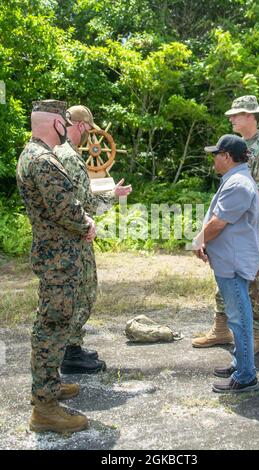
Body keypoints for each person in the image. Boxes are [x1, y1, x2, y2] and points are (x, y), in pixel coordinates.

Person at [16, 100, 96, 433]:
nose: (68, 126)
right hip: (59, 257)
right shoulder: (45, 160)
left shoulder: (29, 155)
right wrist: (87, 223)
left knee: (53, 324)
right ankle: (45, 408)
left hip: (54, 254)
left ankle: (49, 385)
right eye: (64, 121)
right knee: (52, 326)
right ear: (56, 124)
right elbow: (67, 209)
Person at [192, 96, 259, 353]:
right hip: (231, 223)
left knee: (254, 280)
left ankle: (256, 336)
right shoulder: (236, 146)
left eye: (236, 114)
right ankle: (221, 329)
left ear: (251, 116)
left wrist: (225, 216)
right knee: (225, 274)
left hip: (254, 229)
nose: (231, 118)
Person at [55, 105, 132, 374]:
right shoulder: (72, 157)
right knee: (83, 293)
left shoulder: (57, 152)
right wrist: (112, 197)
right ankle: (70, 354)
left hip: (63, 236)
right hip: (74, 239)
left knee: (71, 293)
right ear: (80, 126)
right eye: (89, 129)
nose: (90, 135)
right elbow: (86, 204)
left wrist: (113, 192)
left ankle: (71, 348)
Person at [193, 134, 259, 392]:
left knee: (238, 318)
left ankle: (245, 376)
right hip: (228, 260)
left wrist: (198, 240)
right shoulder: (235, 179)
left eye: (216, 154)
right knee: (236, 316)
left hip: (232, 263)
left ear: (228, 157)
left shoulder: (239, 184)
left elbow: (219, 222)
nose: (213, 159)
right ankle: (240, 363)